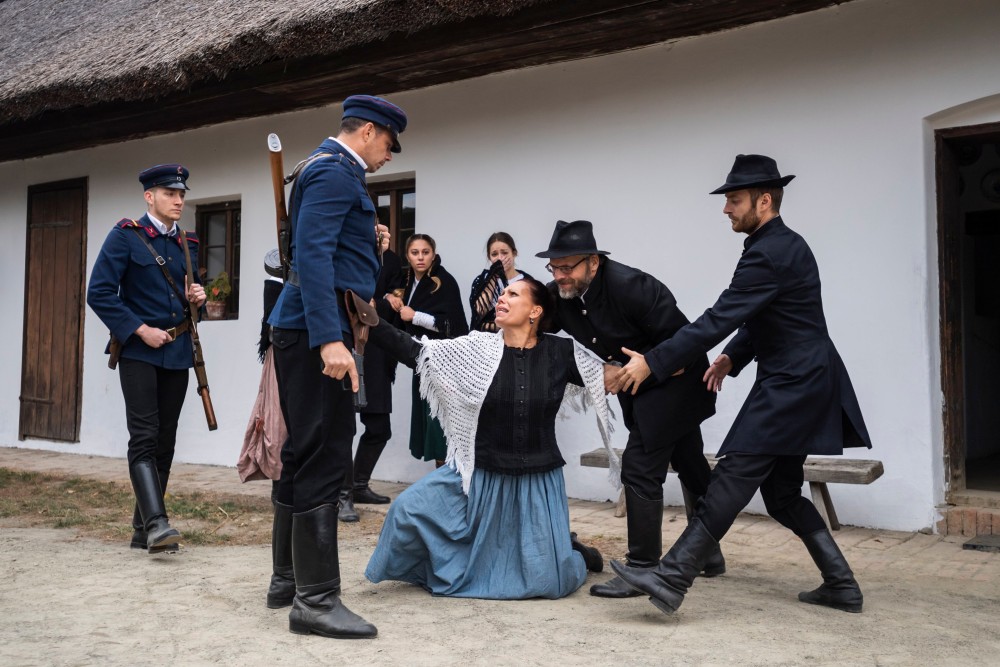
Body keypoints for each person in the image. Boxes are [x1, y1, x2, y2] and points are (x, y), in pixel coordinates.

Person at [611, 154, 873, 615]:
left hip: (794, 382)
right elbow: (768, 313)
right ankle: (842, 585)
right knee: (782, 493)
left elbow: (718, 317)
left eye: (734, 199)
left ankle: (672, 578)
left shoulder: (769, 252)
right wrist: (734, 356)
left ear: (764, 200)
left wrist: (654, 361)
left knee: (732, 474)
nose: (726, 208)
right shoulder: (777, 245)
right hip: (801, 377)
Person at [364, 278, 614, 599]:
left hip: (538, 480)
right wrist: (373, 322)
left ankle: (571, 550)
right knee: (406, 510)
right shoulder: (477, 349)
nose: (502, 298)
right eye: (502, 293)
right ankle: (560, 545)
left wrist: (648, 364)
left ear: (535, 310)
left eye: (513, 294)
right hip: (480, 474)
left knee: (548, 584)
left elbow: (609, 375)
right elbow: (418, 352)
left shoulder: (561, 352)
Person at [266, 94, 404, 639]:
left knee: (303, 452)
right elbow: (314, 258)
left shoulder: (330, 172)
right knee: (325, 453)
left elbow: (328, 247)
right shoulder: (333, 174)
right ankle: (316, 601)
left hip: (304, 326)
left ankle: (287, 579)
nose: (391, 155)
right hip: (313, 330)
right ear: (369, 131)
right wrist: (330, 339)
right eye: (390, 143)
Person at [535, 220, 723, 599]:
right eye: (553, 268)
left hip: (678, 382)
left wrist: (645, 365)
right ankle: (708, 552)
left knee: (639, 467)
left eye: (567, 267)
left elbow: (683, 345)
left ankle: (643, 569)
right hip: (639, 390)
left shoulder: (633, 286)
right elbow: (538, 321)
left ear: (594, 262)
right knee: (689, 462)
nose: (560, 276)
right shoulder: (562, 294)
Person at [87, 163, 207, 555]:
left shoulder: (188, 244)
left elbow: (186, 308)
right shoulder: (126, 237)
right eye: (170, 193)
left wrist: (197, 303)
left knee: (165, 441)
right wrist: (139, 329)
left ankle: (143, 529)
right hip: (138, 352)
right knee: (144, 436)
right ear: (149, 196)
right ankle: (158, 523)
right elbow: (100, 292)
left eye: (182, 194)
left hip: (177, 353)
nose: (178, 200)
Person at [384, 234, 468, 467]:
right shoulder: (406, 280)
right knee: (428, 418)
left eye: (425, 252)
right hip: (421, 361)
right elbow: (392, 301)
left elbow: (454, 324)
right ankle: (439, 476)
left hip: (444, 362)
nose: (420, 257)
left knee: (440, 420)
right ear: (408, 256)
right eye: (415, 253)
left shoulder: (443, 281)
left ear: (433, 253)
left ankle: (447, 474)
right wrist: (390, 296)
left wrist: (416, 317)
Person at [337, 248, 404, 523]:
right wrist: (376, 302)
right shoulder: (342, 252)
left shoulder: (390, 260)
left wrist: (381, 303)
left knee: (379, 428)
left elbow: (396, 303)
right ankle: (342, 495)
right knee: (342, 427)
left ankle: (359, 485)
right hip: (341, 343)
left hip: (376, 349)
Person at [469, 231, 534, 332]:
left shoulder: (526, 281)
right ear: (489, 257)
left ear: (514, 253)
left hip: (515, 337)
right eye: (494, 254)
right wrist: (494, 274)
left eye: (504, 253)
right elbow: (479, 310)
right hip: (485, 338)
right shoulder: (481, 280)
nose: (500, 258)